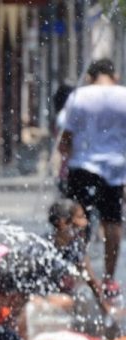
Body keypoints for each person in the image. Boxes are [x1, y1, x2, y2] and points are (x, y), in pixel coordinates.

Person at [59, 58, 126, 300]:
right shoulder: (124, 96)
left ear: (90, 76)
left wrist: (65, 154)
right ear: (114, 75)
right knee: (113, 222)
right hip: (115, 169)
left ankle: (70, 274)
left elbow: (65, 137)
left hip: (82, 167)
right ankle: (109, 280)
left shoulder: (80, 96)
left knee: (77, 222)